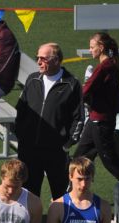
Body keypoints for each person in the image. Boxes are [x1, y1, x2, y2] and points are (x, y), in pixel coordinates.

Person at [16, 43, 84, 200]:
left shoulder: (71, 84)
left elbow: (79, 117)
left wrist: (68, 143)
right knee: (28, 195)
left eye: (43, 58)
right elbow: (21, 110)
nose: (39, 62)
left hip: (56, 151)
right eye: (37, 58)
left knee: (61, 194)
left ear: (57, 60)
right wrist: (21, 135)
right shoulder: (32, 79)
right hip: (29, 149)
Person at [74, 32, 119, 181]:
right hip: (97, 120)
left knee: (110, 162)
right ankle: (70, 195)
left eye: (92, 47)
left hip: (100, 122)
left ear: (101, 47)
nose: (90, 50)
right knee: (79, 160)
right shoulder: (112, 64)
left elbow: (86, 90)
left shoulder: (104, 67)